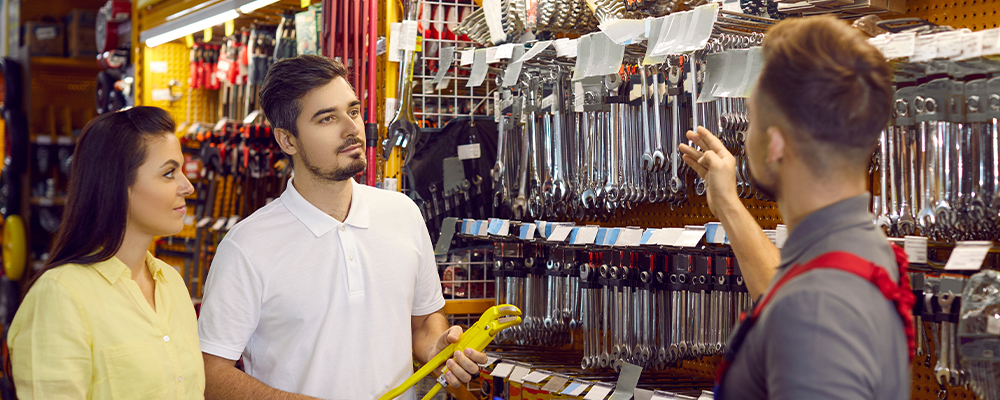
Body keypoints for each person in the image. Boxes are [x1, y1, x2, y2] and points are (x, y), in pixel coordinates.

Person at [197, 55, 485, 400]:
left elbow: (424, 323)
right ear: (287, 141)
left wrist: (440, 350)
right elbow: (211, 374)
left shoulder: (403, 214)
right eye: (327, 118)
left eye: (352, 111)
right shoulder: (246, 246)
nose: (352, 129)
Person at [678, 16, 913, 399]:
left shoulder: (815, 309)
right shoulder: (859, 246)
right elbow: (789, 296)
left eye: (751, 119)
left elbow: (806, 311)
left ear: (775, 145)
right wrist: (726, 203)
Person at [7, 107, 203, 399]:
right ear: (118, 185)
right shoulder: (61, 296)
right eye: (169, 173)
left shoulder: (171, 285)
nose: (187, 187)